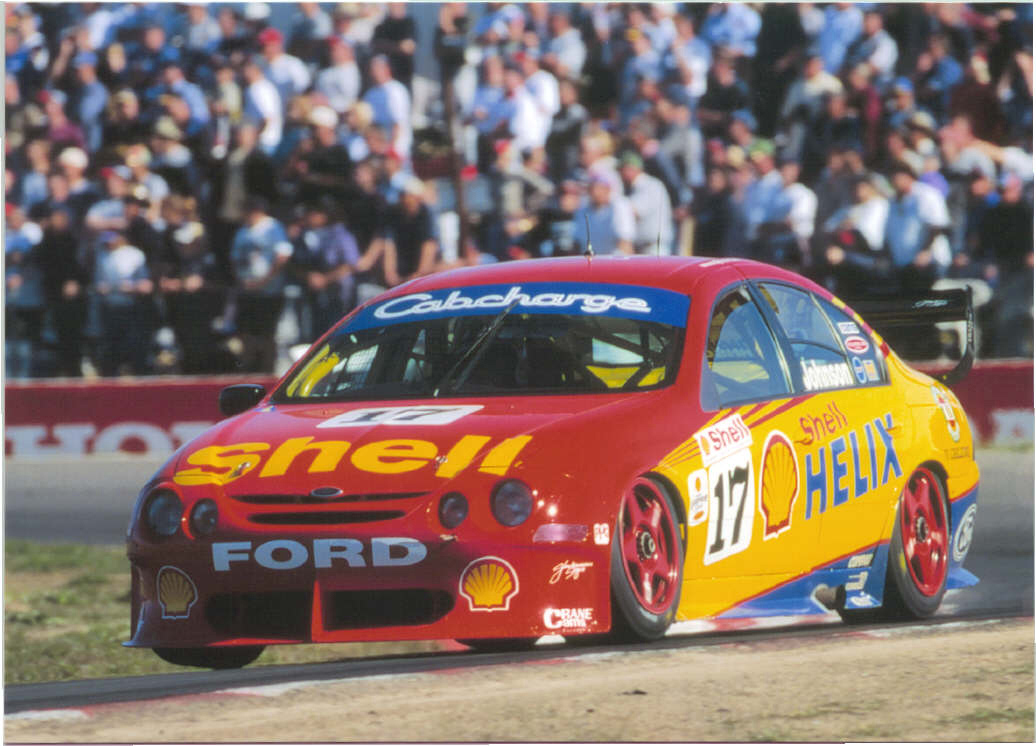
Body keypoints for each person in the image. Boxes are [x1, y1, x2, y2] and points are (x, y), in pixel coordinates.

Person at [227, 196, 293, 372]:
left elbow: (282, 256)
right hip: (247, 290)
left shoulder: (273, 227)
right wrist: (242, 280)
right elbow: (234, 259)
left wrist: (265, 280)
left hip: (269, 291)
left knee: (266, 334)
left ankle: (267, 370)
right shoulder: (243, 231)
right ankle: (248, 370)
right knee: (246, 333)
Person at [291, 198, 363, 340]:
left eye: (314, 213)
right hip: (316, 294)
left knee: (336, 332)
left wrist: (325, 279)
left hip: (339, 294)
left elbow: (351, 264)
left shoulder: (341, 234)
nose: (310, 217)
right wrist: (309, 276)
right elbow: (297, 262)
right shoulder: (308, 235)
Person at [93, 230, 154, 377]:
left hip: (131, 308)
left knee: (135, 346)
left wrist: (130, 288)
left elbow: (146, 285)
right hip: (110, 309)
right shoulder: (103, 256)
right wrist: (104, 289)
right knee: (110, 349)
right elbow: (99, 283)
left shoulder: (135, 255)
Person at [618, 150, 673, 255]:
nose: (620, 173)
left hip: (654, 248)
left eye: (622, 169)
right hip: (642, 248)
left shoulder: (651, 185)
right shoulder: (632, 188)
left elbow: (633, 212)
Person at [571, 175, 635, 256]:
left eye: (599, 188)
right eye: (592, 188)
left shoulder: (620, 206)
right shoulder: (582, 210)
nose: (595, 192)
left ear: (608, 189)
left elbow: (625, 243)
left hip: (614, 262)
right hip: (590, 262)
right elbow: (577, 243)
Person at [362, 54, 412, 156]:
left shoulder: (396, 90)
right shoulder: (370, 94)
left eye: (377, 68)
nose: (374, 72)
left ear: (387, 69)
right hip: (377, 147)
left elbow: (398, 123)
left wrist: (390, 149)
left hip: (397, 148)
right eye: (372, 69)